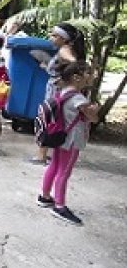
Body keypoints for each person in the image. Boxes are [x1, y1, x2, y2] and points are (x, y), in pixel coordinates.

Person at [37, 61, 98, 226]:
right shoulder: (79, 99)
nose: (91, 76)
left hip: (60, 137)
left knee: (54, 166)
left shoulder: (64, 92)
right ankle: (60, 206)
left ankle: (45, 196)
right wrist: (95, 111)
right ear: (77, 77)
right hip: (71, 140)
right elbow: (93, 118)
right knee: (64, 172)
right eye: (88, 73)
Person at [31, 23, 86, 164]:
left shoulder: (64, 51)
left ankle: (41, 155)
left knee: (47, 120)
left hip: (55, 92)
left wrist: (65, 76)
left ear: (64, 39)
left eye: (55, 36)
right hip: (58, 90)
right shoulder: (67, 50)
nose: (51, 38)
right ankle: (50, 154)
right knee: (55, 120)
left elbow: (75, 64)